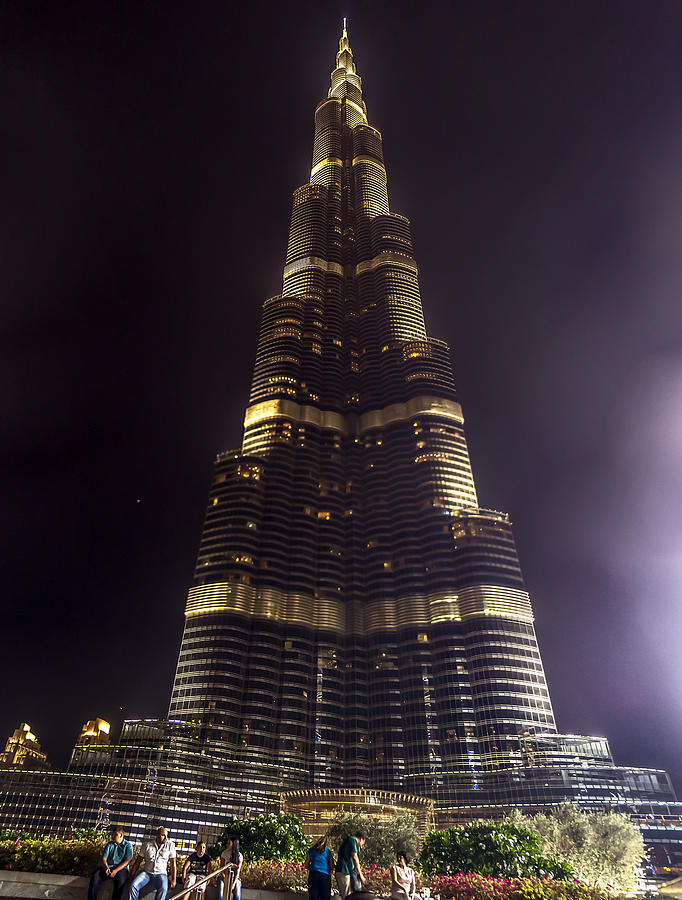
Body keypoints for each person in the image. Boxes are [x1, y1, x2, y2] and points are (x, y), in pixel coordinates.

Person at [128, 826, 177, 900]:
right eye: (163, 835)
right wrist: (132, 875)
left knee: (163, 888)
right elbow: (138, 861)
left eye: (167, 835)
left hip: (161, 874)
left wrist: (174, 880)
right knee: (133, 885)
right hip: (147, 873)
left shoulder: (170, 845)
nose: (166, 838)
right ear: (157, 835)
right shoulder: (147, 845)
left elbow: (173, 864)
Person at [88, 826, 133, 900]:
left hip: (121, 869)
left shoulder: (128, 845)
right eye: (112, 834)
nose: (112, 837)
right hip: (108, 867)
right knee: (95, 876)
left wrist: (115, 871)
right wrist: (106, 868)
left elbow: (127, 861)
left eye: (115, 835)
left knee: (121, 881)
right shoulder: (109, 844)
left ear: (121, 835)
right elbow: (103, 859)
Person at [334, 832, 365, 898]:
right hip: (343, 871)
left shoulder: (350, 841)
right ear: (361, 839)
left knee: (350, 895)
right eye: (362, 843)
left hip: (345, 872)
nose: (361, 846)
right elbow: (354, 857)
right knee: (346, 896)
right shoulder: (352, 840)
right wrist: (360, 875)